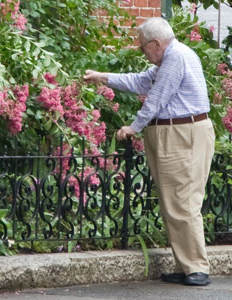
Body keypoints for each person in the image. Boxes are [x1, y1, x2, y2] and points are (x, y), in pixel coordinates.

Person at [83, 17, 215, 286]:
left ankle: (196, 268)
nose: (142, 52)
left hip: (181, 133)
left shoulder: (175, 57)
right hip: (177, 132)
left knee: (183, 200)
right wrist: (102, 77)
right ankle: (185, 264)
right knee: (174, 201)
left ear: (156, 43)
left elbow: (157, 98)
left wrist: (133, 127)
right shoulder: (171, 58)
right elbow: (141, 81)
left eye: (143, 47)